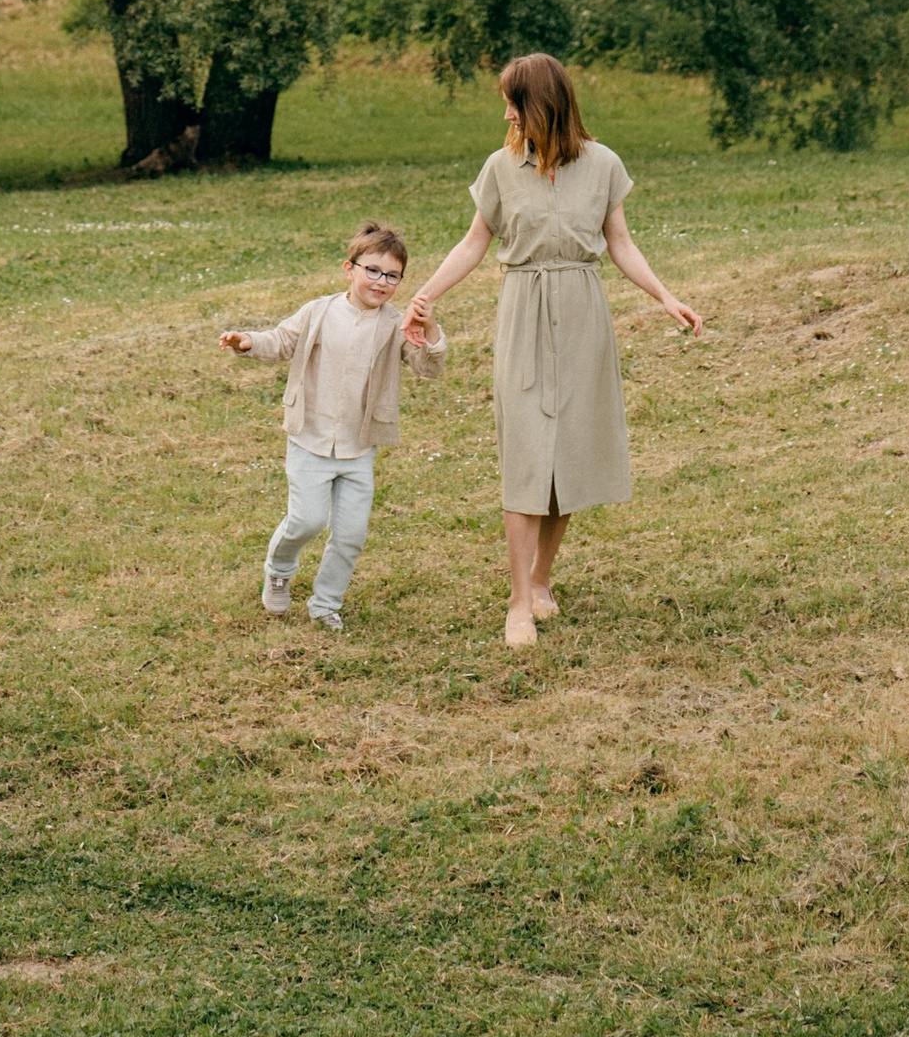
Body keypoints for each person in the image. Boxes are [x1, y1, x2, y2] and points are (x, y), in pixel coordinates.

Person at [403, 53, 700, 649]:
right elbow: (473, 243)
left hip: (584, 311)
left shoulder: (603, 164)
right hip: (525, 309)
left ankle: (541, 580)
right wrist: (425, 295)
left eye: (515, 101)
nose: (507, 113)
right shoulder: (500, 167)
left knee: (569, 452)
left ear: (544, 104)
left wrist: (666, 297)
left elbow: (620, 242)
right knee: (527, 452)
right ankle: (517, 602)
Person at [220, 223, 446, 633]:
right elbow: (281, 340)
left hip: (359, 447)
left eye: (392, 276)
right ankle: (279, 568)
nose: (381, 282)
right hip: (310, 439)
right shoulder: (319, 312)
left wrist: (429, 330)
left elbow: (428, 367)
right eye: (372, 271)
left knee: (350, 535)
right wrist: (247, 341)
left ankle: (326, 604)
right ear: (349, 268)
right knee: (305, 521)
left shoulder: (396, 323)